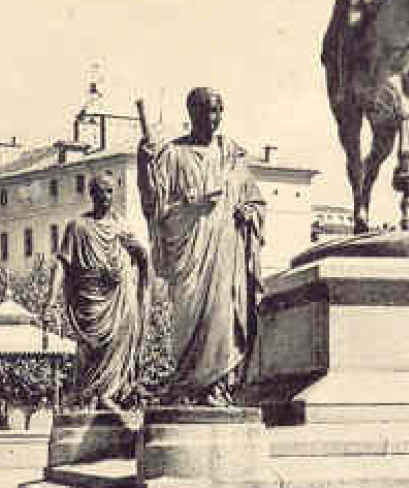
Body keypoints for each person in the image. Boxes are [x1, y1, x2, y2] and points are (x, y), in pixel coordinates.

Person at [137, 88, 266, 406]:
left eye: (216, 111)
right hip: (190, 254)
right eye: (205, 111)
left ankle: (216, 388)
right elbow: (155, 206)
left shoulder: (231, 155)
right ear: (190, 114)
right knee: (188, 317)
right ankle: (186, 384)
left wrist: (249, 212)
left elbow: (255, 199)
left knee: (222, 319)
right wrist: (145, 166)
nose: (212, 118)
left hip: (226, 253)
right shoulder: (171, 155)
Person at [43, 171, 150, 411]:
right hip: (90, 299)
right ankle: (91, 395)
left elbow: (141, 257)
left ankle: (110, 394)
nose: (106, 196)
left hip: (120, 297)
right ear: (92, 194)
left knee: (120, 342)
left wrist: (142, 255)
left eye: (110, 191)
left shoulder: (122, 226)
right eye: (101, 190)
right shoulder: (78, 227)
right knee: (92, 349)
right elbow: (62, 263)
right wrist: (51, 300)